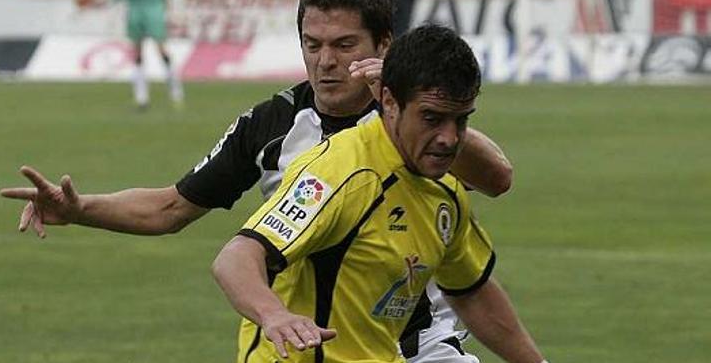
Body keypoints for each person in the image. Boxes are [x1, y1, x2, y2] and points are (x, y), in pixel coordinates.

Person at [1, 0, 513, 363]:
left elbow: (497, 179)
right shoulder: (273, 126)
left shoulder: (422, 120)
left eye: (343, 45)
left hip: (419, 335)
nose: (326, 62)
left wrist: (404, 96)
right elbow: (171, 208)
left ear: (383, 45)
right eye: (312, 46)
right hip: (314, 339)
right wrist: (80, 208)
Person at [213, 25, 548, 363]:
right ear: (389, 101)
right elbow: (237, 257)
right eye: (431, 118)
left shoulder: (446, 191)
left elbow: (472, 292)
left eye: (459, 121)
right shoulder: (342, 173)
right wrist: (274, 315)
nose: (449, 138)